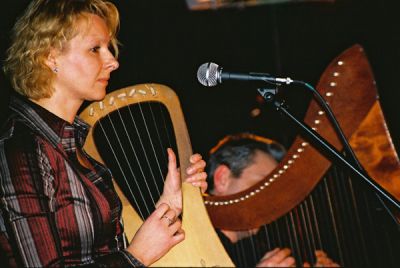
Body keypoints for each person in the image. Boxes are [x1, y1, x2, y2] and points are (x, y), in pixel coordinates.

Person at [0, 0, 207, 267]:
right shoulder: (22, 149)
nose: (112, 62)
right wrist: (137, 256)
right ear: (49, 57)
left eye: (108, 48)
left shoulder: (68, 147)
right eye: (95, 49)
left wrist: (166, 212)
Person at [207, 133, 339, 267]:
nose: (273, 202)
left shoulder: (258, 253)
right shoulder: (189, 237)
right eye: (264, 185)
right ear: (223, 178)